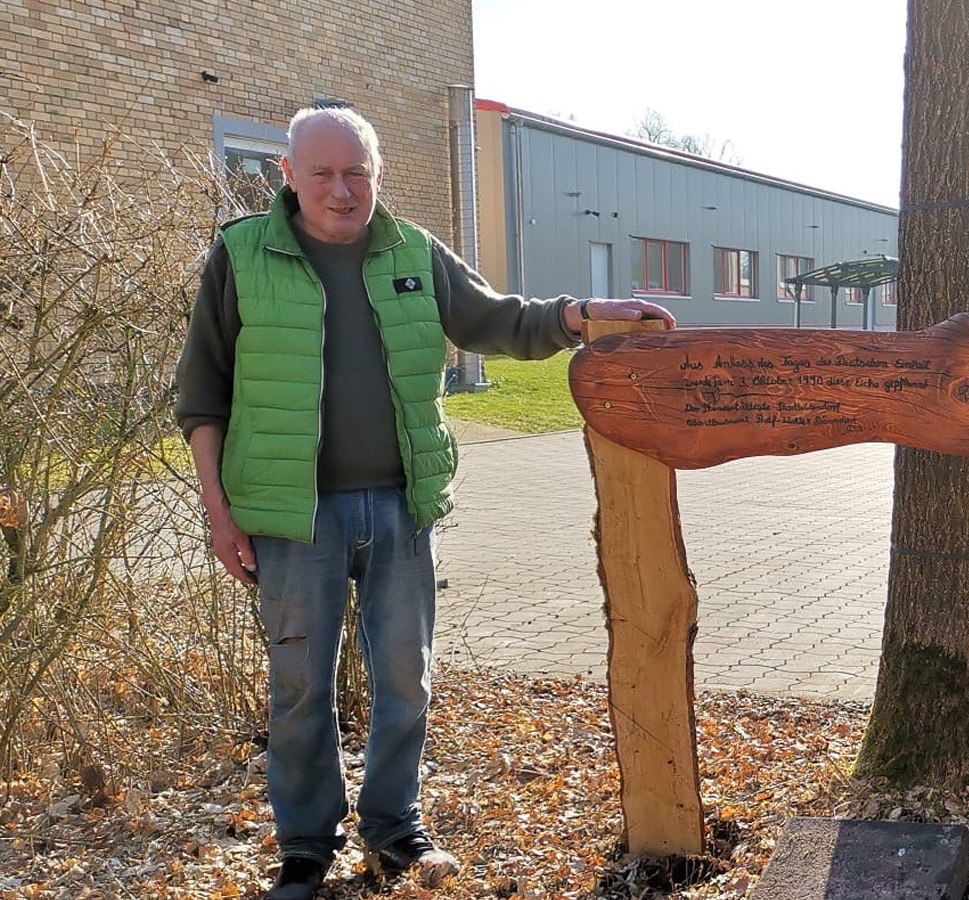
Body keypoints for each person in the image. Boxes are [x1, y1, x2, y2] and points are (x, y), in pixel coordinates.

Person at [175, 106, 674, 899]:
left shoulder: (412, 250)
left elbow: (498, 319)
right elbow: (202, 395)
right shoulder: (240, 256)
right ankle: (305, 847)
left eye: (357, 173)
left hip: (400, 509)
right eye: (323, 173)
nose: (342, 191)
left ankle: (394, 830)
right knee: (300, 687)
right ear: (288, 175)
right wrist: (219, 512)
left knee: (406, 678)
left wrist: (581, 316)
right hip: (291, 517)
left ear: (378, 174)